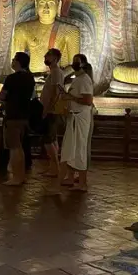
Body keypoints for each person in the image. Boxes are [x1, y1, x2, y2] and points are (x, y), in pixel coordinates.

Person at [0, 52, 35, 185]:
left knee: (14, 147)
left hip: (13, 115)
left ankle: (16, 177)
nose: (11, 61)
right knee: (20, 147)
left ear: (18, 62)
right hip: (25, 115)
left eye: (13, 59)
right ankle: (21, 175)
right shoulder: (30, 78)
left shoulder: (12, 78)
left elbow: (2, 96)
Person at [55, 54, 94, 192]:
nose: (73, 64)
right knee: (70, 149)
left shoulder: (84, 79)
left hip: (80, 118)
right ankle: (69, 178)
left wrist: (69, 97)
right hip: (74, 117)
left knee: (79, 149)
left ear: (83, 64)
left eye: (76, 61)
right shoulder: (77, 79)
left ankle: (81, 182)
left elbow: (88, 100)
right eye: (73, 61)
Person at [40, 48, 65, 177]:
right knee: (52, 139)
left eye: (48, 56)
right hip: (50, 110)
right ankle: (53, 167)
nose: (45, 58)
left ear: (55, 58)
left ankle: (55, 167)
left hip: (51, 111)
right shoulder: (53, 73)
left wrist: (47, 109)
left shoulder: (56, 73)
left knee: (48, 139)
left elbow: (56, 94)